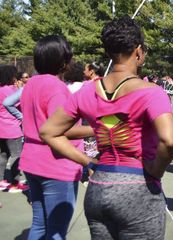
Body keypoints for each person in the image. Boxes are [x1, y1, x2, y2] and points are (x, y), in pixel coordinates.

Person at [40, 17, 173, 239]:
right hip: (138, 186)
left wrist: (87, 161)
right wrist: (156, 170)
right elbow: (170, 141)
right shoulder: (151, 92)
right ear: (139, 51)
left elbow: (48, 131)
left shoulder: (86, 91)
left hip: (98, 187)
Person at [18, 35, 94, 240]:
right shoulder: (56, 88)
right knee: (57, 230)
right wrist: (97, 129)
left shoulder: (31, 84)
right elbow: (61, 130)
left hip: (32, 161)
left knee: (39, 225)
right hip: (56, 165)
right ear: (63, 62)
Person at [0, 65, 27, 193]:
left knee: (4, 154)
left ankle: (1, 181)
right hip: (12, 128)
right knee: (17, 155)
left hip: (1, 128)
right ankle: (15, 183)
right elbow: (20, 103)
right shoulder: (9, 90)